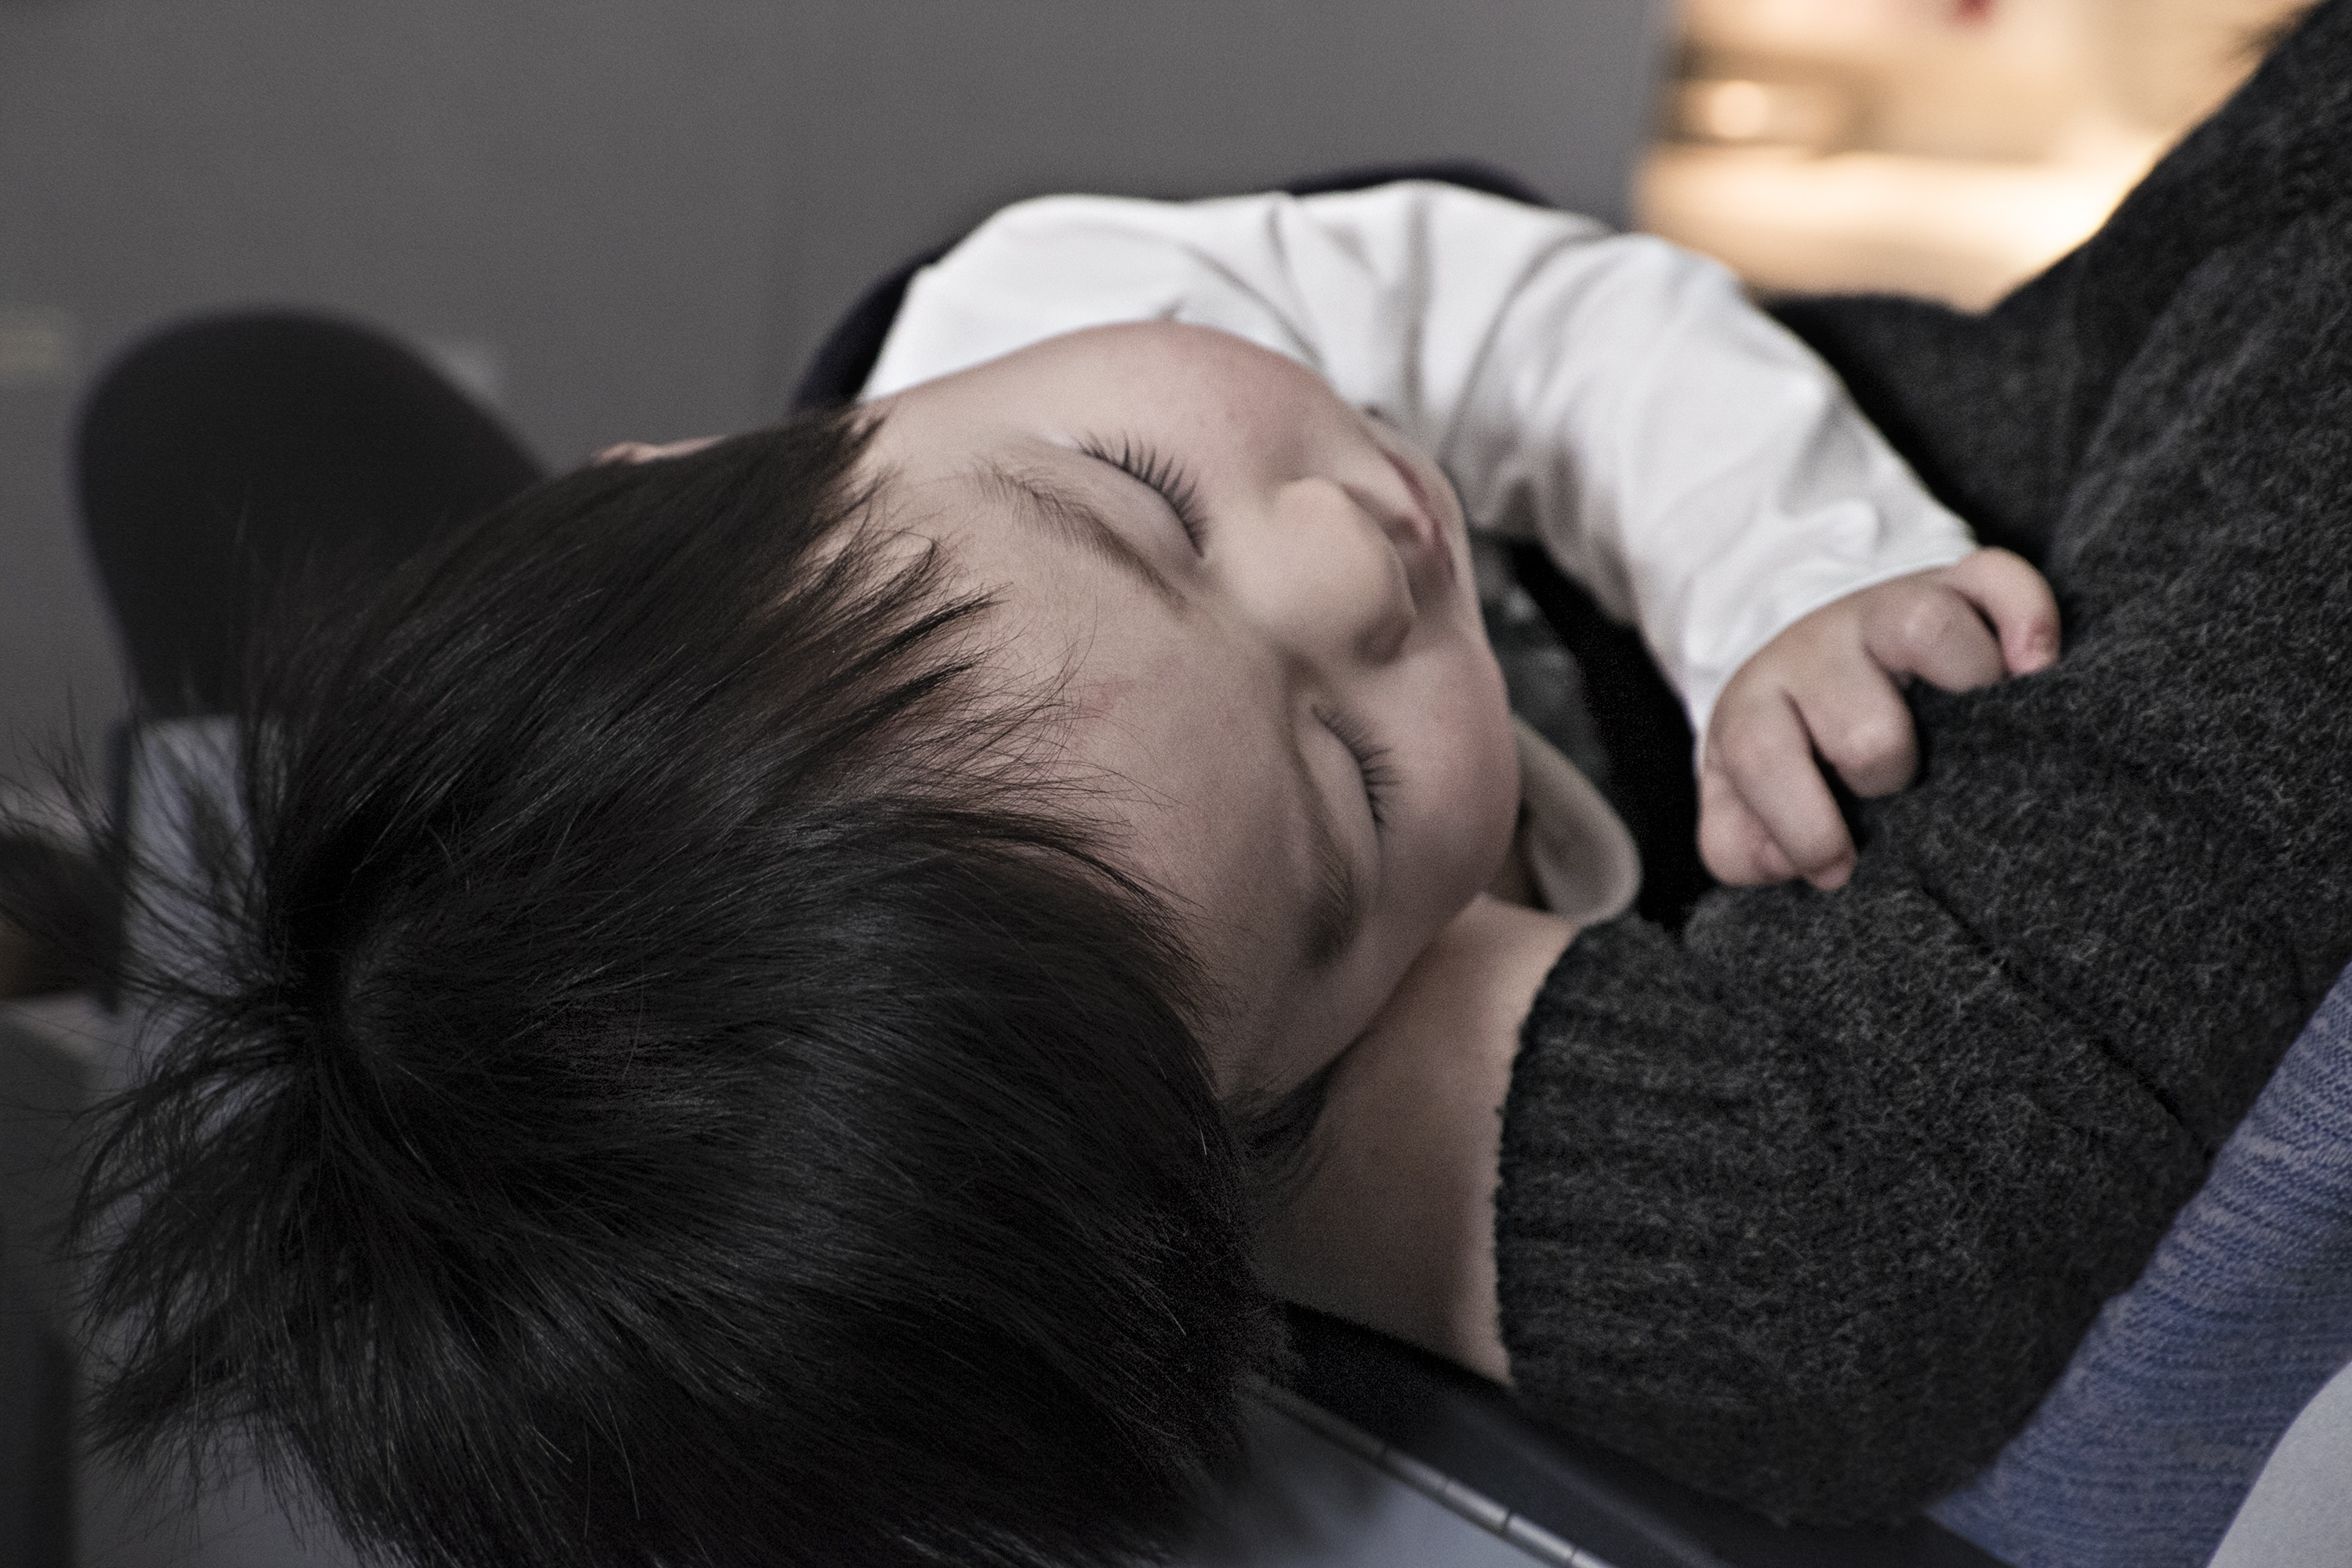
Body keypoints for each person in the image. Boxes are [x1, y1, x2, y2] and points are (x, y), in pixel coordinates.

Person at [45, 4, 2352, 1563]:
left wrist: (1792, 591)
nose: (1355, 560)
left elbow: (1566, 328)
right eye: (1350, 788)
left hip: (1760, 460)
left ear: (703, 460)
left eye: (1143, 507)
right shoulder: (1190, 1014)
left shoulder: (1067, 299)